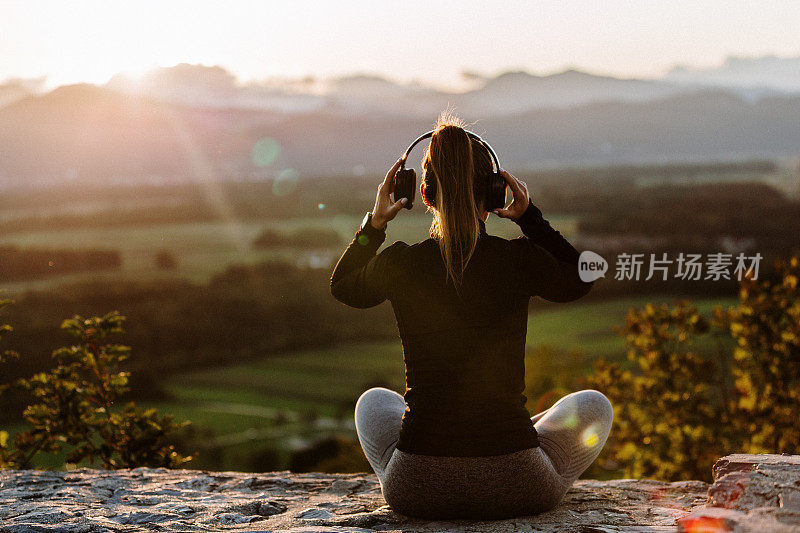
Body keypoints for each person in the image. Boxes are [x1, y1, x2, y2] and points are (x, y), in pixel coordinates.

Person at [329, 112, 613, 520]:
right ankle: (522, 435)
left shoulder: (402, 264)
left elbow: (343, 285)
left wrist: (375, 223)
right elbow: (583, 275)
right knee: (594, 404)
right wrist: (530, 218)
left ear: (423, 196)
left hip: (415, 489)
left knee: (373, 401)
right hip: (520, 487)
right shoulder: (516, 260)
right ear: (495, 195)